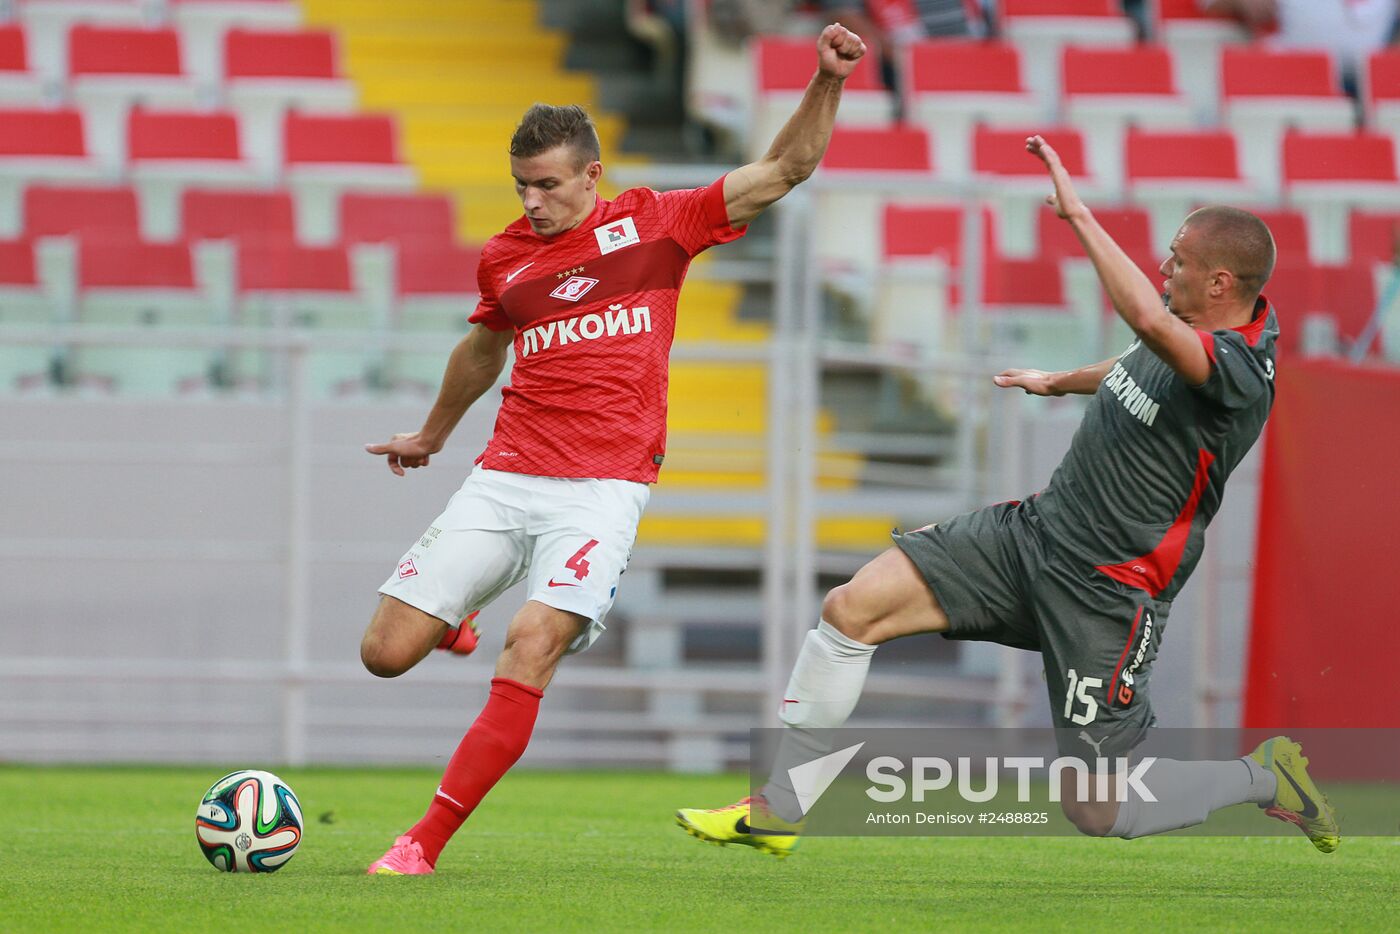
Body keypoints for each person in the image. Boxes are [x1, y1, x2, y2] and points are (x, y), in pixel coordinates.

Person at [676, 136, 1341, 857]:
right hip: (1035, 536)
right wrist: (1058, 380)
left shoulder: (1242, 371)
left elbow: (1147, 325)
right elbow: (1137, 357)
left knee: (1096, 809)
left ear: (1219, 283)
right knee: (851, 608)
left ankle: (1262, 778)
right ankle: (779, 807)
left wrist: (1078, 215)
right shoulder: (1192, 328)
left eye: (1177, 259)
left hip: (1110, 590)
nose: (1163, 267)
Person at [358, 23, 868, 876]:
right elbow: (484, 349)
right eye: (521, 186)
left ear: (593, 175)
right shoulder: (506, 261)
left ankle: (421, 844)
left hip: (600, 489)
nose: (532, 202)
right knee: (384, 655)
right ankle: (459, 615)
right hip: (506, 475)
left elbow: (785, 171)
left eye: (548, 186)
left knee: (534, 641)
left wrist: (825, 81)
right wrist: (433, 434)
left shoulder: (660, 226)